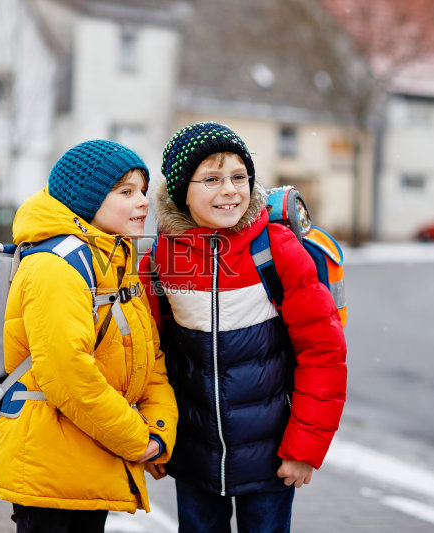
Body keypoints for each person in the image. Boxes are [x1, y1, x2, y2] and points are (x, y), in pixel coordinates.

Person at [139, 122, 347, 533]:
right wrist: (156, 435)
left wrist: (304, 448)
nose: (231, 190)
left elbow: (323, 352)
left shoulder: (276, 249)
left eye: (239, 177)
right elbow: (152, 356)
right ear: (182, 189)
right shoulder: (163, 256)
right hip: (194, 452)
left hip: (273, 457)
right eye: (212, 179)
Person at [0, 140, 178, 533]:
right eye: (126, 192)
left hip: (89, 456)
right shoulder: (55, 267)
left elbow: (151, 360)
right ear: (86, 201)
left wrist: (158, 430)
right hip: (53, 463)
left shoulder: (116, 259)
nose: (143, 202)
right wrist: (136, 440)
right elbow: (68, 375)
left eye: (143, 191)